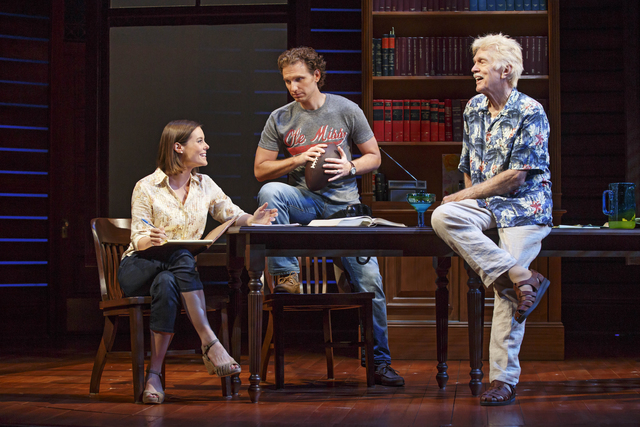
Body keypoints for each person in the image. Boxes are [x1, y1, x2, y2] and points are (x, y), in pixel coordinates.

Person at [254, 47, 404, 387]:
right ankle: (287, 276)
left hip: (344, 212)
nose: (293, 86)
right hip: (305, 204)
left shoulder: (345, 110)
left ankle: (379, 363)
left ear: (317, 76)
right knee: (270, 193)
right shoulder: (280, 118)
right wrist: (298, 159)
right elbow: (261, 171)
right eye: (288, 81)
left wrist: (351, 166)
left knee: (371, 286)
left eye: (300, 79)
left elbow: (374, 158)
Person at [431, 33, 553, 406]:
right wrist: (467, 200)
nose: (473, 69)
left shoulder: (531, 110)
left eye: (481, 62)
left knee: (505, 293)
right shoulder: (473, 108)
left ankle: (503, 379)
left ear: (506, 69)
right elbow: (468, 166)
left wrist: (466, 195)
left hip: (524, 208)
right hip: (486, 205)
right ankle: (520, 274)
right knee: (443, 214)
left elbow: (517, 176)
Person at [118, 120, 278, 404]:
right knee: (180, 256)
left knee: (168, 283)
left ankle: (153, 376)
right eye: (200, 141)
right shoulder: (146, 187)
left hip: (172, 274)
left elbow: (230, 212)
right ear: (178, 147)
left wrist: (254, 219)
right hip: (138, 266)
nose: (207, 146)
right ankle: (209, 341)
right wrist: (151, 239)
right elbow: (138, 238)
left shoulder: (205, 185)